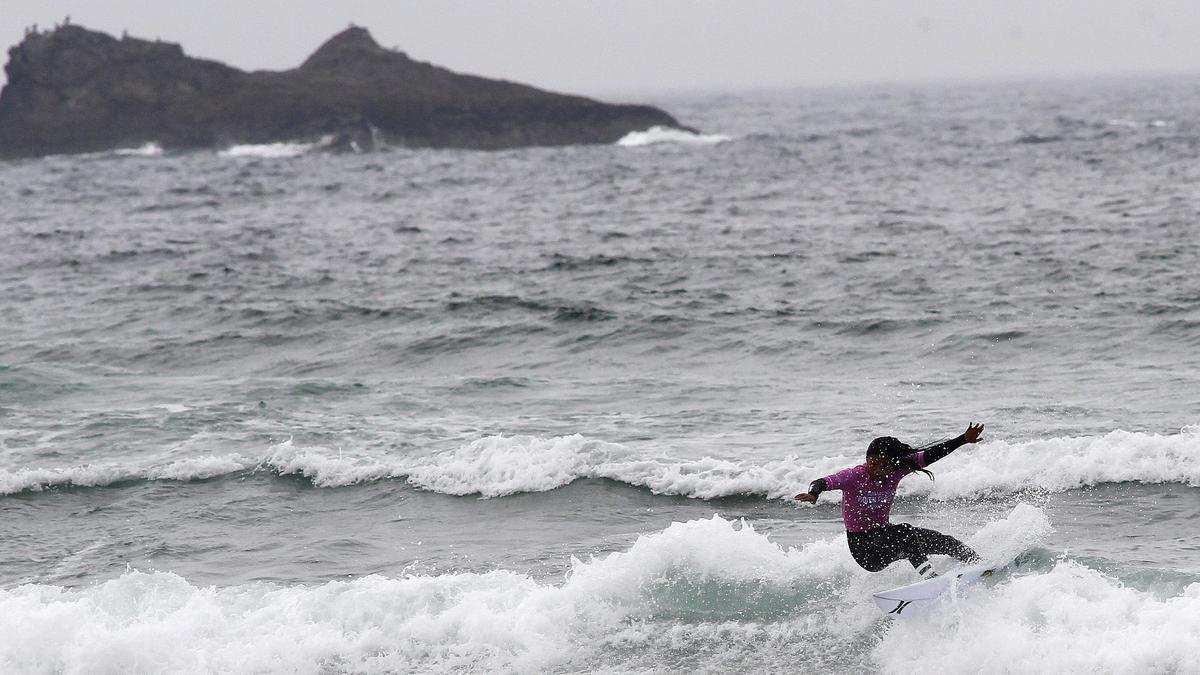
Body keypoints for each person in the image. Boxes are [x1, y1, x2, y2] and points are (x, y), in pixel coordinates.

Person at [795, 423, 985, 578]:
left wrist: (963, 440)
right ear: (867, 459)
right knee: (905, 531)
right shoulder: (854, 476)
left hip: (887, 537)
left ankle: (982, 566)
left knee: (945, 542)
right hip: (865, 550)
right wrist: (814, 493)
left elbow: (930, 455)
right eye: (872, 462)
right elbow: (822, 482)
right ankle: (930, 578)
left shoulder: (897, 470)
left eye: (882, 464)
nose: (876, 468)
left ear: (893, 463)